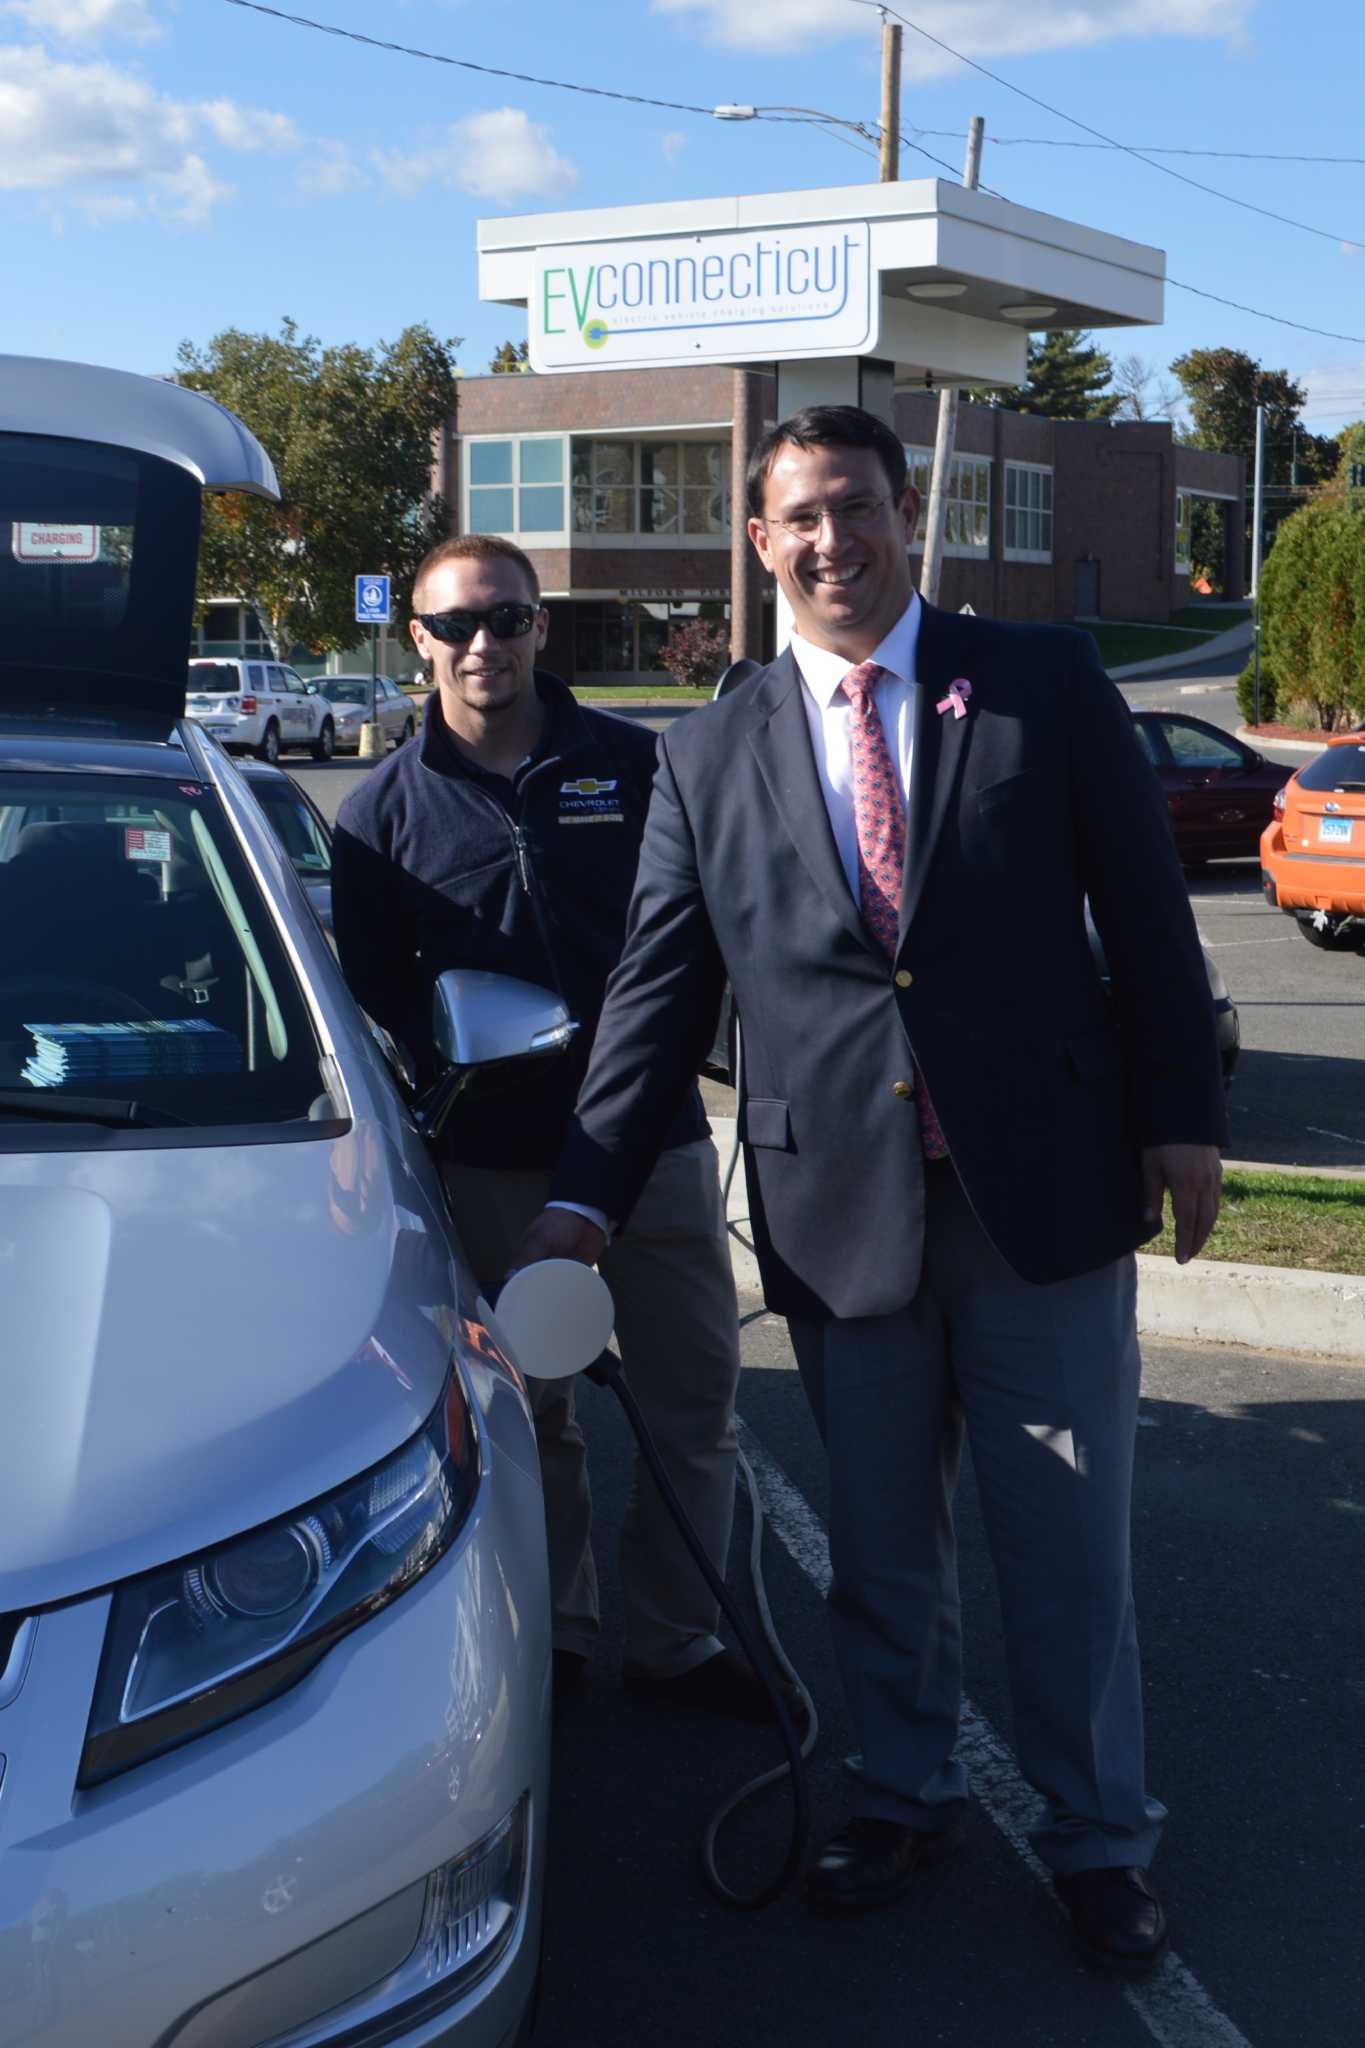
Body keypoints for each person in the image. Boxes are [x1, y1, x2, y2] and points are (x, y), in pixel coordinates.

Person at [518, 406, 1226, 1969]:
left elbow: (1151, 919)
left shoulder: (1039, 683)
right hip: (837, 1217)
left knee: (1064, 1554)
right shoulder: (707, 752)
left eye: (856, 507)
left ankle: (1100, 1839)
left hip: (1035, 1200)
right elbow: (650, 997)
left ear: (912, 516)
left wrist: (1181, 1114)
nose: (830, 541)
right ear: (759, 545)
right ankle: (901, 1793)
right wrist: (579, 1195)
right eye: (799, 520)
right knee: (883, 1548)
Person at [331, 533, 767, 1725]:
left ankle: (678, 1637)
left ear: (540, 627)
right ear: (416, 638)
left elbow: (698, 949)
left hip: (652, 1146)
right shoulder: (378, 816)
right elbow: (378, 993)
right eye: (457, 625)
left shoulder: (637, 767)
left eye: (508, 619)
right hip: (497, 1162)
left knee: (695, 1400)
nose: (486, 645)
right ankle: (559, 1632)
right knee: (537, 1417)